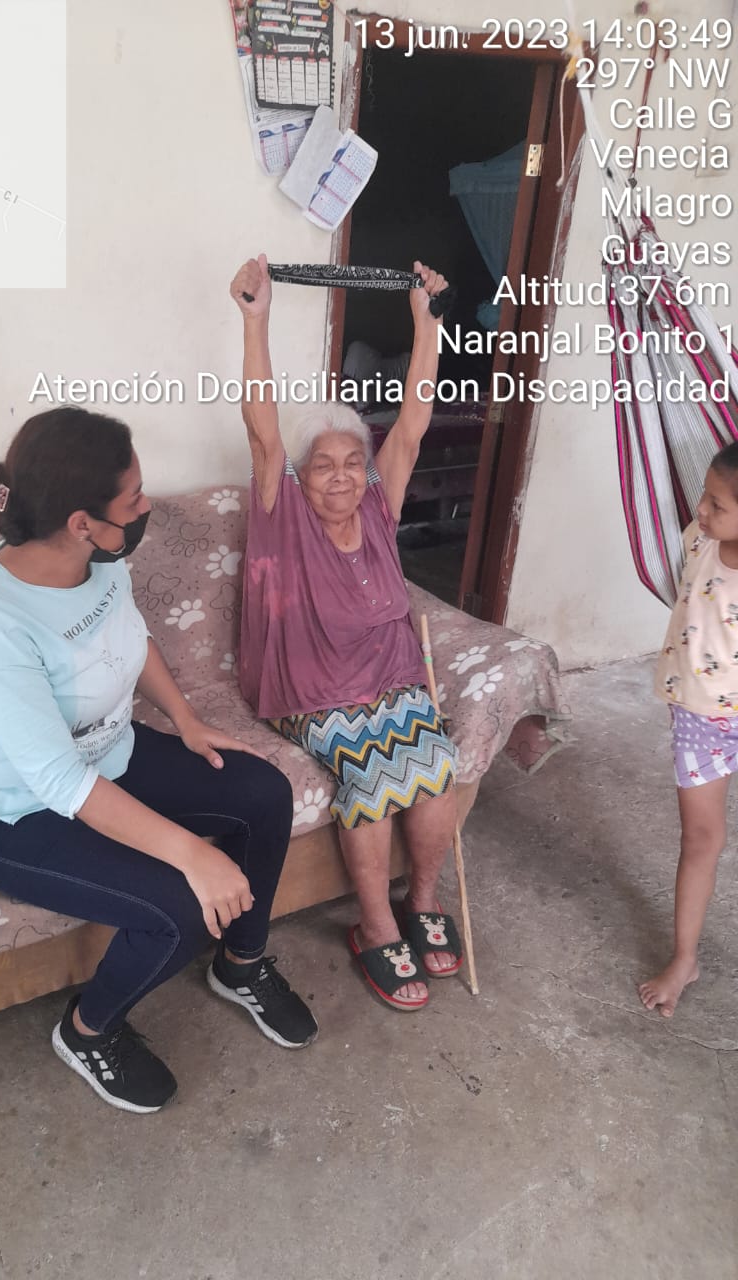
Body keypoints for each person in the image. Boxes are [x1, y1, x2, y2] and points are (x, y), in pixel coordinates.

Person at [0, 407, 317, 1114]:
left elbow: (132, 639)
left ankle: (241, 966)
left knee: (264, 794)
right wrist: (191, 855)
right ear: (81, 521)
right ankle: (87, 1030)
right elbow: (57, 779)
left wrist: (188, 722)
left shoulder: (99, 560)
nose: (147, 506)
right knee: (180, 907)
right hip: (15, 811)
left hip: (111, 754)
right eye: (134, 497)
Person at [230, 252, 461, 1012]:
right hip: (312, 689)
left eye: (352, 462)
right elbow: (262, 429)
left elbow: (415, 422)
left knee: (436, 764)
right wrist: (257, 320)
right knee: (374, 775)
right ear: (300, 473)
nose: (340, 476)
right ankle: (374, 926)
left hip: (391, 677)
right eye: (323, 464)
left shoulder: (376, 507)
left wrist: (425, 325)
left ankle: (422, 900)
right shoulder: (283, 511)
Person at [640, 443, 738, 1017]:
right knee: (702, 839)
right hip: (702, 719)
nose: (700, 508)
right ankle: (685, 959)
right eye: (705, 494)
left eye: (716, 504)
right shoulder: (700, 539)